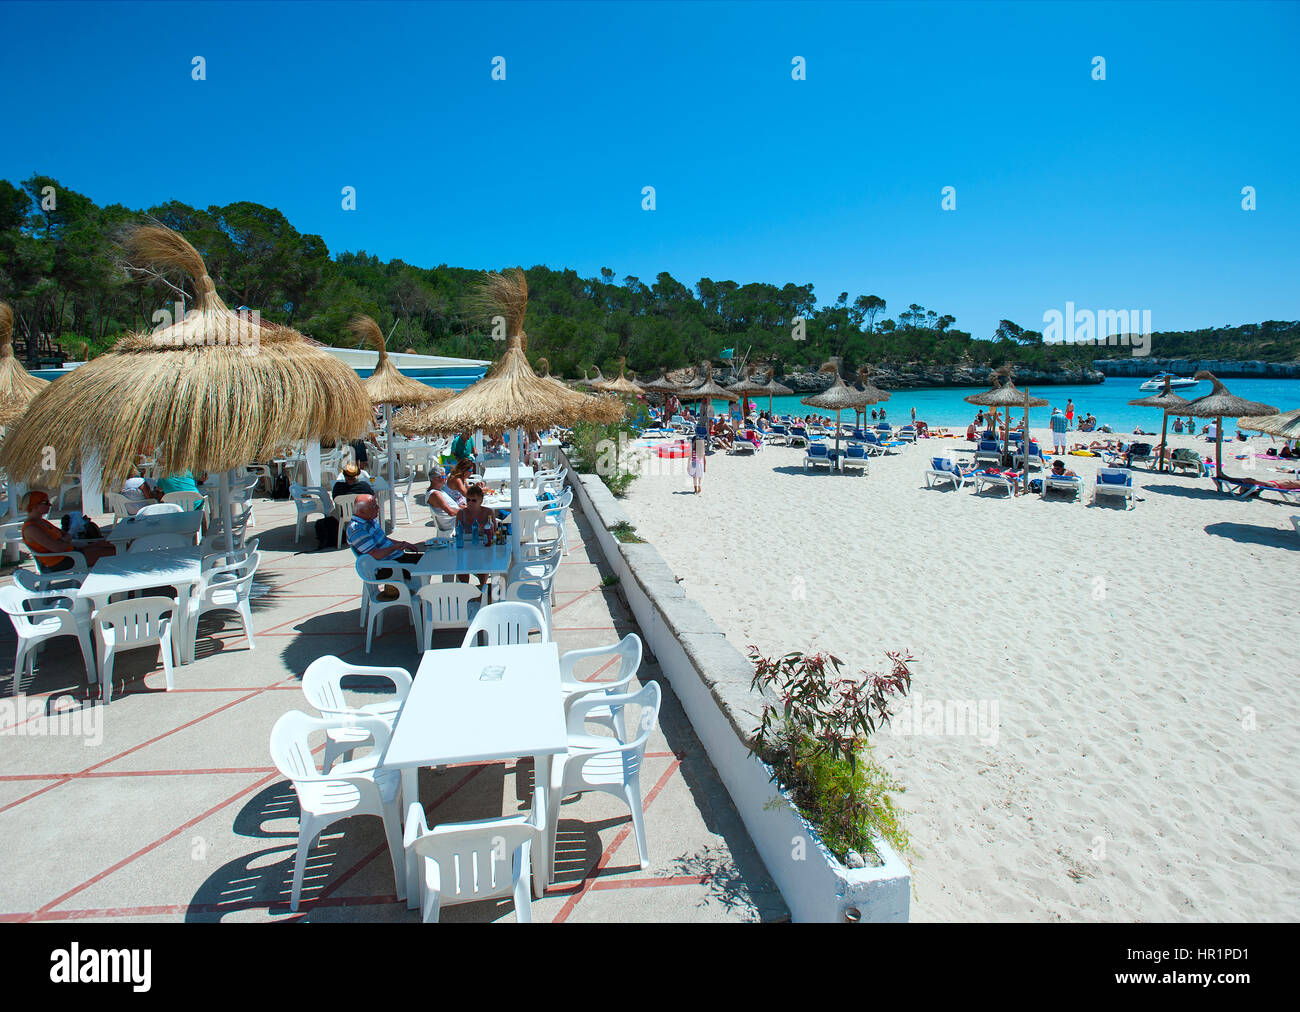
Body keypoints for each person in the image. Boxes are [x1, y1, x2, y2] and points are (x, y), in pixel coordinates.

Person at [21, 490, 115, 570]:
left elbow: (64, 536)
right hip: (60, 561)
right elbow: (58, 547)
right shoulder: (32, 528)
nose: (50, 505)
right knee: (115, 551)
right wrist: (66, 538)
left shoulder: (42, 522)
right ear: (35, 506)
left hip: (70, 553)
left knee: (110, 543)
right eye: (46, 503)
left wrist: (64, 539)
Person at [346, 495, 424, 564]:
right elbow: (374, 554)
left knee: (430, 558)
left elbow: (383, 539)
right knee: (428, 563)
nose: (378, 508)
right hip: (388, 566)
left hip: (395, 558)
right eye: (374, 507)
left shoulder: (369, 519)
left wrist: (403, 544)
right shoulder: (357, 529)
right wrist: (394, 548)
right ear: (361, 511)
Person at [426, 466, 463, 533]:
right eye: (443, 477)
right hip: (453, 522)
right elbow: (451, 512)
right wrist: (466, 511)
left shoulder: (437, 491)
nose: (446, 479)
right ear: (435, 479)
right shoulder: (436, 494)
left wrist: (460, 507)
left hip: (454, 519)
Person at [689, 410, 709, 494]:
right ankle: (700, 485)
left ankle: (695, 488)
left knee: (694, 477)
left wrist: (688, 466)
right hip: (700, 464)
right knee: (700, 477)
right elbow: (704, 459)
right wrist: (704, 467)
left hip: (693, 464)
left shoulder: (693, 450)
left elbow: (690, 458)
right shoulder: (701, 450)